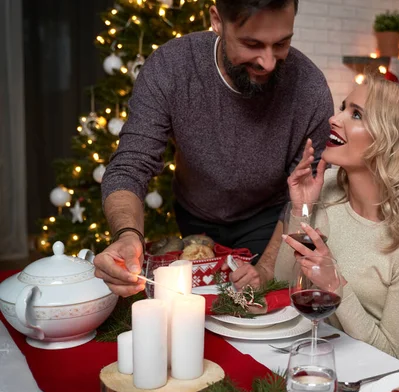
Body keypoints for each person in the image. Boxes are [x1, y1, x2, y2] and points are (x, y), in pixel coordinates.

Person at [93, 0, 333, 297]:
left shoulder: (310, 88)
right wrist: (128, 235)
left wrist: (268, 267)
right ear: (217, 20)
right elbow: (130, 166)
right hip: (194, 218)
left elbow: (303, 196)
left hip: (270, 223)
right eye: (251, 43)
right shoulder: (172, 66)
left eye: (282, 43)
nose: (268, 62)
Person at [274, 76, 399, 361]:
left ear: (390, 142)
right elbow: (282, 286)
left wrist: (334, 284)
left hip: (394, 371)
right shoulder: (326, 189)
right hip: (331, 350)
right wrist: (301, 208)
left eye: (355, 114)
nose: (333, 118)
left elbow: (392, 354)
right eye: (343, 107)